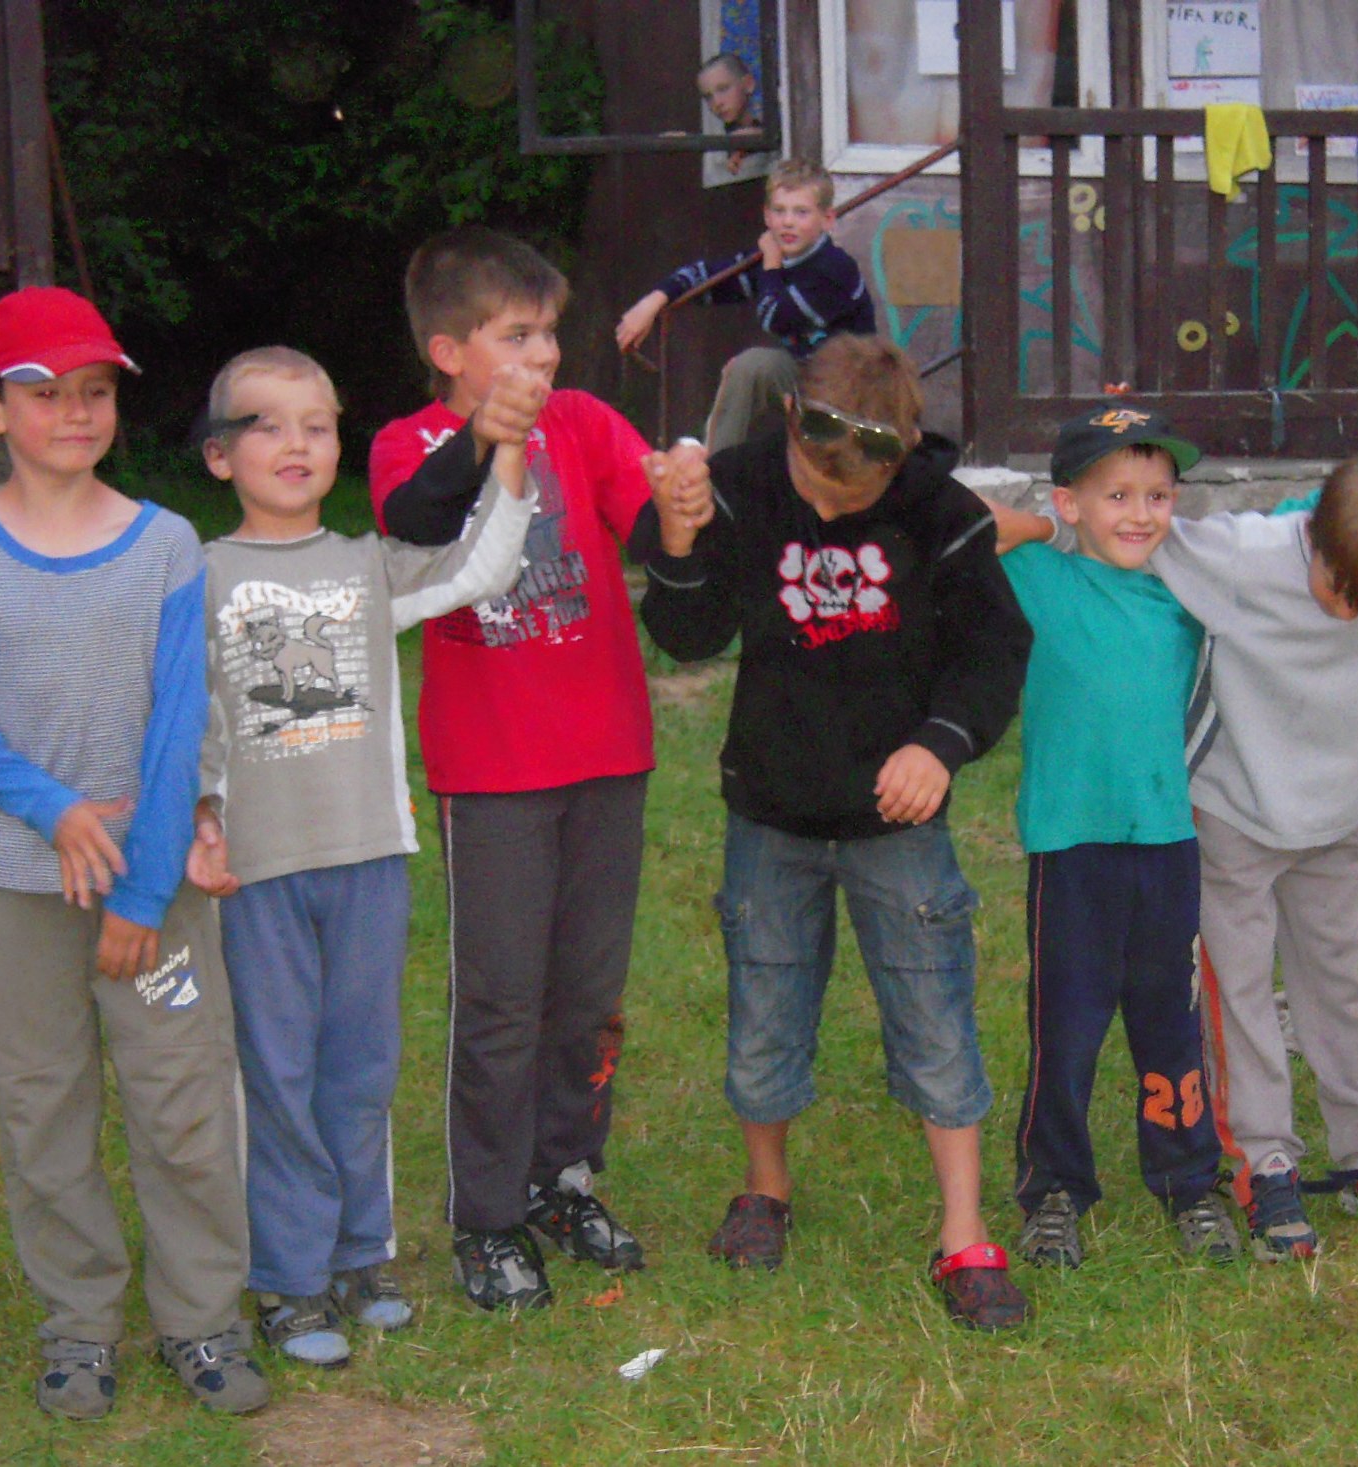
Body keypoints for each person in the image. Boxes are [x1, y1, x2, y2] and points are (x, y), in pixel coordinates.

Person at [991, 449, 1358, 1262]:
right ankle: (1265, 1160)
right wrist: (1052, 521)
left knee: (1350, 982)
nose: (1350, 610)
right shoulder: (1242, 555)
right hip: (1234, 814)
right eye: (1339, 585)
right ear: (1313, 535)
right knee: (1241, 997)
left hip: (1340, 822)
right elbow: (1136, 525)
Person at [0, 287, 268, 1418]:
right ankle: (78, 1321)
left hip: (153, 891)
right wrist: (58, 810)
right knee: (43, 1105)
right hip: (21, 886)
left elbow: (177, 723)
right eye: (45, 393)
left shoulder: (163, 546)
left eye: (96, 392)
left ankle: (202, 1318)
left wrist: (144, 890)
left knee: (181, 1101)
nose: (75, 413)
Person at [636, 334, 1034, 1330]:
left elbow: (994, 650)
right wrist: (677, 538)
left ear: (899, 455)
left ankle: (962, 1229)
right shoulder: (738, 486)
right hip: (770, 810)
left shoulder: (941, 514)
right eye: (811, 478)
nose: (822, 505)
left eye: (850, 492)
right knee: (764, 1008)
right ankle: (764, 1188)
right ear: (788, 425)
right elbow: (689, 634)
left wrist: (940, 746)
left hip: (897, 823)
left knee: (934, 1014)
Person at [184, 347, 536, 1364]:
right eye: (267, 425)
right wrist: (200, 813)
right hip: (255, 871)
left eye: (317, 425)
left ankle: (359, 1253)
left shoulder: (366, 563)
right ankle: (289, 1278)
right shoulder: (197, 575)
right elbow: (187, 714)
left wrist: (509, 452)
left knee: (360, 1067)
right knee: (276, 1071)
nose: (296, 443)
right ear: (219, 456)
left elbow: (480, 566)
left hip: (369, 856)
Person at [368, 226, 658, 1311]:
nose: (543, 355)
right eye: (517, 336)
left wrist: (681, 506)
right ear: (451, 352)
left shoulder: (581, 422)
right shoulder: (408, 443)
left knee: (585, 994)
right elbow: (413, 519)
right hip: (492, 770)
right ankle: (486, 1218)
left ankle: (560, 1178)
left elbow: (655, 533)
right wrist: (481, 440)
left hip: (608, 751)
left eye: (548, 334)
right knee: (500, 1000)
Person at [999, 407, 1237, 1269]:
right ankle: (1055, 1189)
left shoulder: (1187, 592)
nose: (1141, 514)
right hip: (1071, 845)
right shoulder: (1040, 576)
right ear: (1071, 501)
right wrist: (1044, 524)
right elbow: (962, 522)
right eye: (1117, 495)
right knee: (1067, 1026)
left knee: (1170, 1023)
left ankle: (1189, 1180)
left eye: (1159, 496)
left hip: (1167, 841)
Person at [614, 159, 876, 452]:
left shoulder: (835, 269)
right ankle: (715, 466)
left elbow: (776, 318)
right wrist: (653, 301)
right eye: (779, 211)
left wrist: (771, 265)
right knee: (747, 368)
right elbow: (709, 278)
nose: (788, 222)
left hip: (852, 384)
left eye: (801, 212)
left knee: (758, 367)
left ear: (827, 219)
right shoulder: (773, 259)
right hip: (807, 376)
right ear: (767, 216)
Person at [697, 52, 768, 180]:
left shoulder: (773, 122)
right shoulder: (723, 139)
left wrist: (755, 136)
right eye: (708, 97)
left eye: (723, 89)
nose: (717, 102)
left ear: (748, 84)